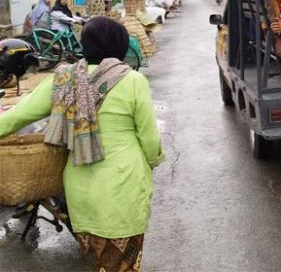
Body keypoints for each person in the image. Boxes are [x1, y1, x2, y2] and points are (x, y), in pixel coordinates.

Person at [0, 17, 165, 272]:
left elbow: (15, 117)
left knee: (97, 265)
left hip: (81, 192)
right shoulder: (132, 81)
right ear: (119, 45)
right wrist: (152, 162)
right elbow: (150, 141)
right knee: (125, 265)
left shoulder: (63, 79)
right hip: (125, 188)